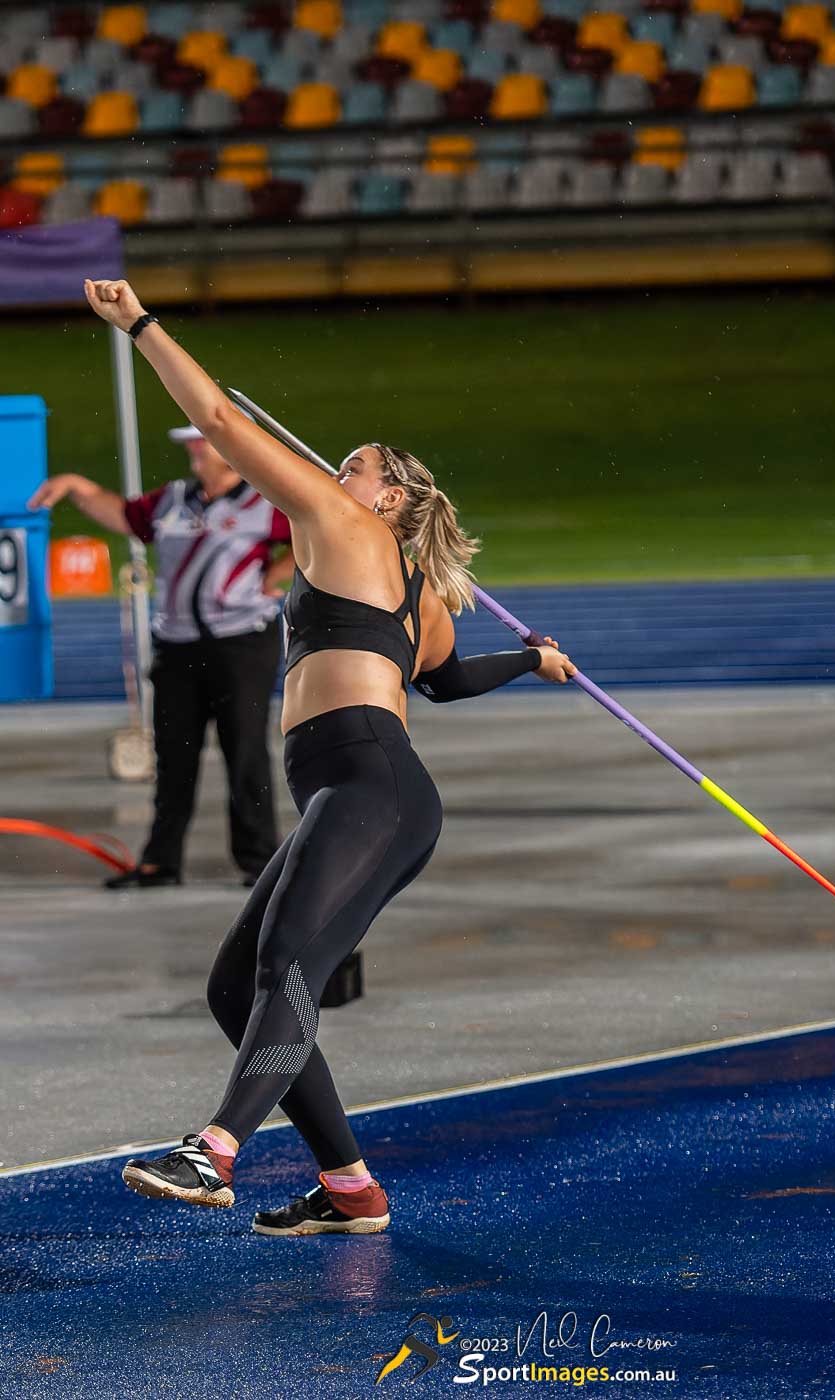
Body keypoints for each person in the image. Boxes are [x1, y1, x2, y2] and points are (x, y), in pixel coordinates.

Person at [81, 277, 576, 1236]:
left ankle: (214, 1152)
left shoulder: (348, 529)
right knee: (239, 984)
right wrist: (527, 658)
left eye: (351, 466)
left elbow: (221, 419)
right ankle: (349, 1187)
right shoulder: (405, 587)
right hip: (360, 788)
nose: (332, 471)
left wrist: (141, 326)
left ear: (388, 497)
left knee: (283, 961)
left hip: (370, 779)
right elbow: (441, 680)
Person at [28, 418, 294, 888]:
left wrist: (277, 574)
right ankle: (161, 861)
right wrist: (76, 486)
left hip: (241, 642)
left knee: (246, 751)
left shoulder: (263, 501)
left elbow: (313, 534)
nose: (194, 452)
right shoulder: (174, 499)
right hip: (177, 646)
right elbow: (127, 517)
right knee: (174, 755)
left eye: (203, 443)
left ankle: (259, 861)